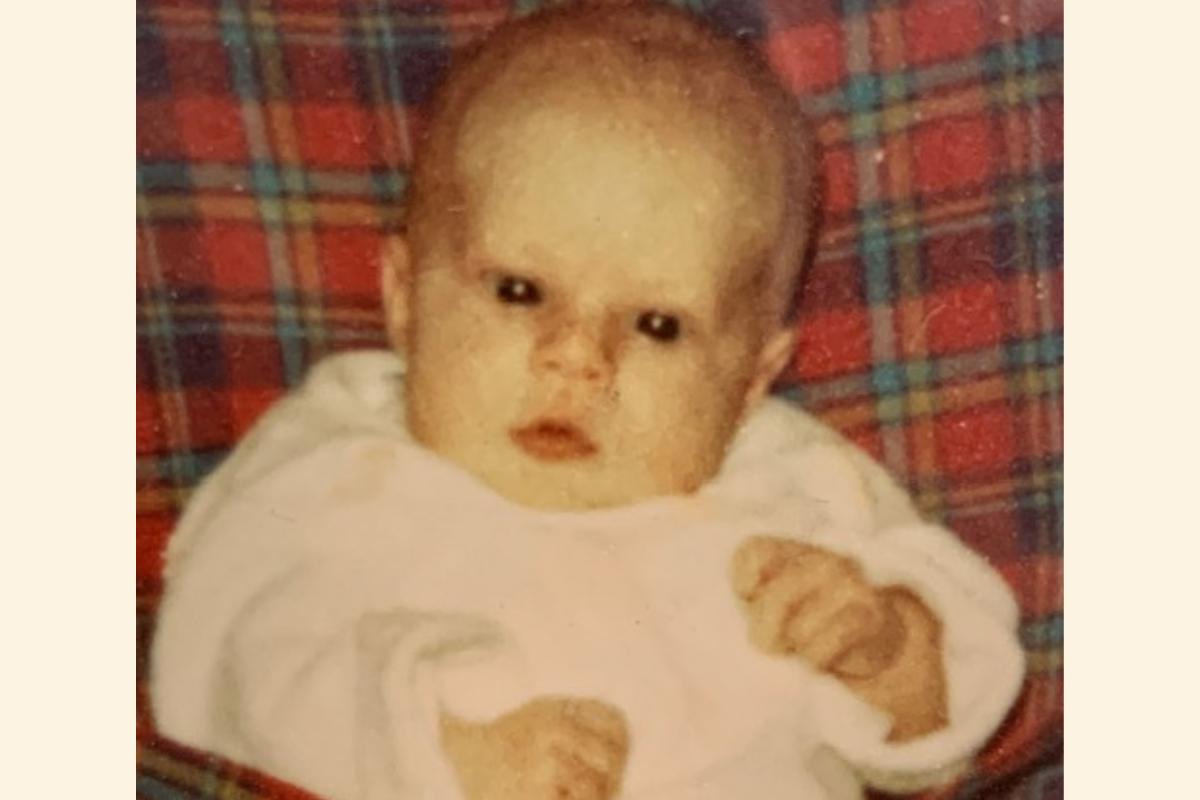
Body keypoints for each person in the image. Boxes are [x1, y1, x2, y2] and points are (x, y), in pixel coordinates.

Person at [151, 3, 1024, 798]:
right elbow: (213, 652)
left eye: (656, 324)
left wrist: (886, 646)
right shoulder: (338, 462)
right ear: (406, 298)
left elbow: (943, 731)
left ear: (753, 377)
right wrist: (440, 753)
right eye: (522, 291)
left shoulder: (794, 481)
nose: (577, 360)